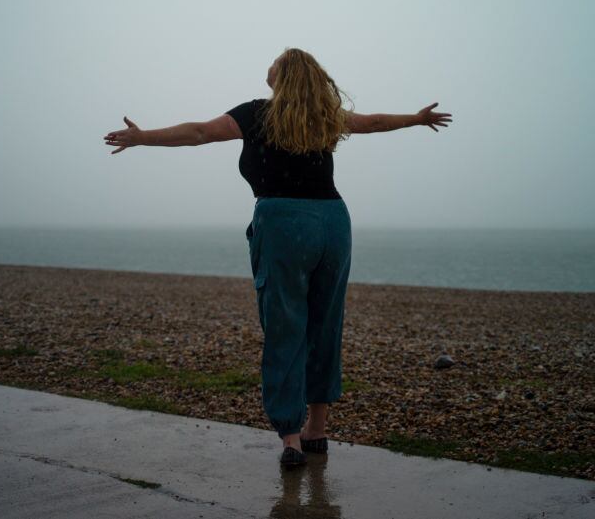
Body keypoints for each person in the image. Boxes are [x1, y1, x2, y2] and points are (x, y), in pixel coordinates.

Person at [103, 48, 452, 467]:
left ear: (282, 75)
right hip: (333, 223)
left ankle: (291, 439)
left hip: (284, 222)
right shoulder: (323, 115)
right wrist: (416, 119)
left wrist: (143, 137)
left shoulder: (256, 113)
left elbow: (199, 132)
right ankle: (317, 430)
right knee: (325, 324)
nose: (267, 65)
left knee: (286, 326)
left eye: (274, 61)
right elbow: (374, 123)